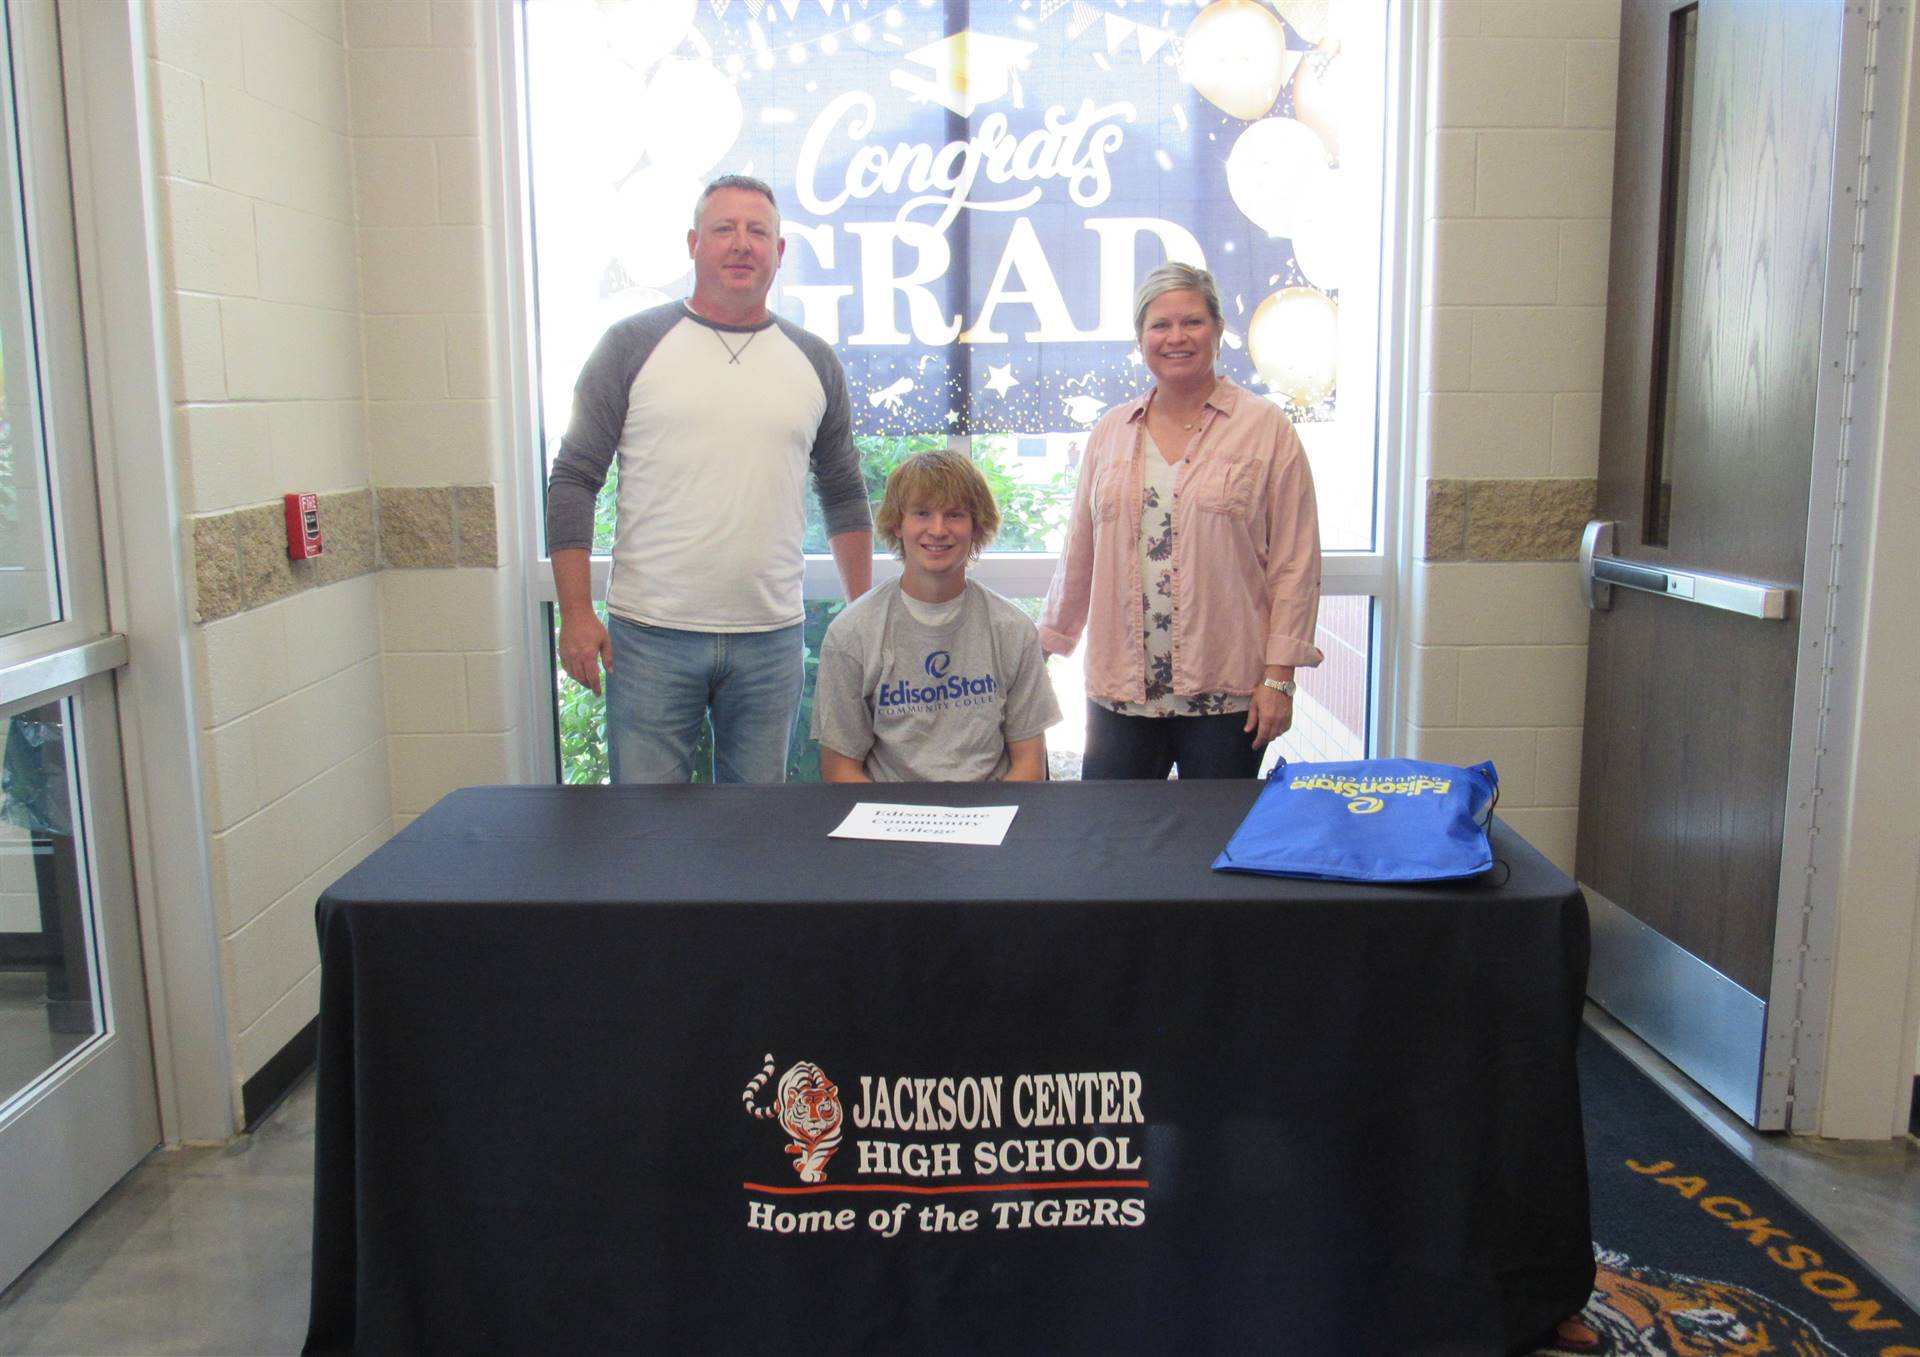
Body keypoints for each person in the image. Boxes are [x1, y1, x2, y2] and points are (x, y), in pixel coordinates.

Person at [547, 174, 873, 783]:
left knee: (753, 842)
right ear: (694, 243)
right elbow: (573, 479)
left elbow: (844, 491)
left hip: (770, 639)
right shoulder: (630, 345)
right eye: (725, 229)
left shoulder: (814, 360)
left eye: (758, 232)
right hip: (649, 638)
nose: (741, 244)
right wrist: (576, 613)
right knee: (646, 836)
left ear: (779, 253)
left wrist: (864, 618)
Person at [1039, 262, 1323, 779]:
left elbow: (1294, 565)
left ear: (1217, 330)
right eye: (1159, 325)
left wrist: (1278, 680)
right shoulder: (1111, 432)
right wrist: (1049, 644)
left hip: (1227, 694)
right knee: (1113, 844)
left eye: (1192, 322)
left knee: (1211, 848)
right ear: (1141, 337)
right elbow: (1080, 552)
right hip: (1120, 693)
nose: (1176, 337)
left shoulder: (1266, 430)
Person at [812, 449, 1060, 783]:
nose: (938, 529)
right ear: (897, 524)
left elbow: (1030, 765)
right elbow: (841, 771)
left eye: (955, 514)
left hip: (991, 817)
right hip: (888, 819)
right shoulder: (851, 634)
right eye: (922, 513)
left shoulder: (1013, 631)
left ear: (977, 525)